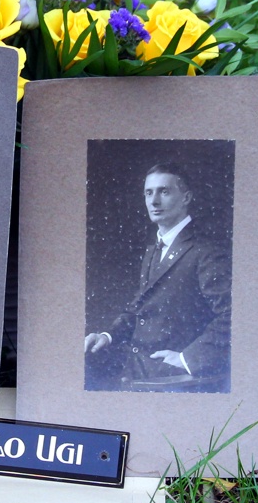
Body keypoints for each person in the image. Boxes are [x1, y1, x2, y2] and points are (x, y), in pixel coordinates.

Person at [84, 164, 231, 392]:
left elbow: (233, 314)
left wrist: (188, 359)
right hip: (140, 373)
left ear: (186, 198)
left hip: (176, 381)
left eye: (164, 191)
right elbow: (140, 307)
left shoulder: (205, 251)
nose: (154, 201)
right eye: (148, 193)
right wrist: (108, 335)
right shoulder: (155, 249)